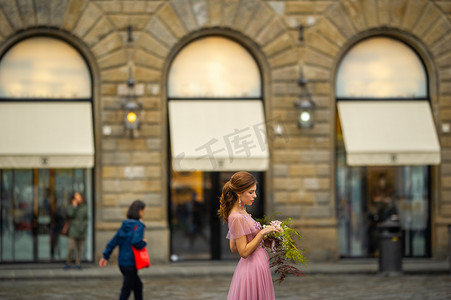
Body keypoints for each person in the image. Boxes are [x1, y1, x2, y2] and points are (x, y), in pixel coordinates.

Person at [218, 171, 280, 300]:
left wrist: (270, 238)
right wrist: (262, 232)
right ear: (239, 193)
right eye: (250, 192)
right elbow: (243, 252)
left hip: (259, 263)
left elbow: (234, 246)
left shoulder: (243, 212)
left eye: (254, 192)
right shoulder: (236, 216)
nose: (255, 196)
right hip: (253, 266)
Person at [99, 200, 147, 300]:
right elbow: (136, 242)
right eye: (143, 211)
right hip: (131, 263)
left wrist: (105, 256)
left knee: (138, 286)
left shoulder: (125, 225)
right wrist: (144, 242)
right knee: (126, 291)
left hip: (122, 263)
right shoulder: (138, 225)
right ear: (139, 211)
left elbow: (113, 241)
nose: (144, 213)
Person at [64, 192, 88, 270]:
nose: (78, 199)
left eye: (79, 197)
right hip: (73, 230)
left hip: (81, 230)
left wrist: (84, 226)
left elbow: (86, 218)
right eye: (76, 197)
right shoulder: (70, 207)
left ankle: (78, 263)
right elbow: (70, 214)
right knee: (71, 248)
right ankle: (68, 262)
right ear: (73, 199)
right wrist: (74, 206)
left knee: (79, 248)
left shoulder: (84, 207)